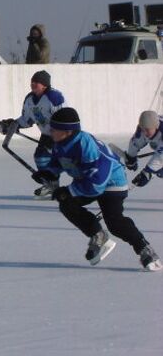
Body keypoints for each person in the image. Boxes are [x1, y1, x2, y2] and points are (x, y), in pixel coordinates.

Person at [31, 107, 162, 271]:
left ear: (68, 131)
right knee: (66, 204)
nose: (50, 131)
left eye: (54, 128)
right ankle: (98, 236)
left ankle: (145, 250)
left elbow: (96, 183)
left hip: (112, 182)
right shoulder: (60, 143)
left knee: (114, 222)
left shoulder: (84, 145)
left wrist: (68, 191)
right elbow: (59, 163)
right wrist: (48, 173)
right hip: (90, 181)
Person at [0, 70, 66, 198]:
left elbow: (65, 118)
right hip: (47, 135)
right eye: (32, 82)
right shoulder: (29, 99)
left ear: (44, 85)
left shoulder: (54, 97)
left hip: (63, 135)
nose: (32, 84)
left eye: (36, 82)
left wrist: (59, 136)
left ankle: (87, 186)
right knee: (41, 157)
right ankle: (51, 185)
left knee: (69, 161)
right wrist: (11, 125)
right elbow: (27, 120)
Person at [124, 110, 162, 187]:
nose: (144, 133)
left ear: (156, 126)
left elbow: (160, 157)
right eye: (143, 129)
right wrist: (131, 157)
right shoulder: (144, 128)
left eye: (147, 130)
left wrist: (148, 172)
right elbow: (135, 143)